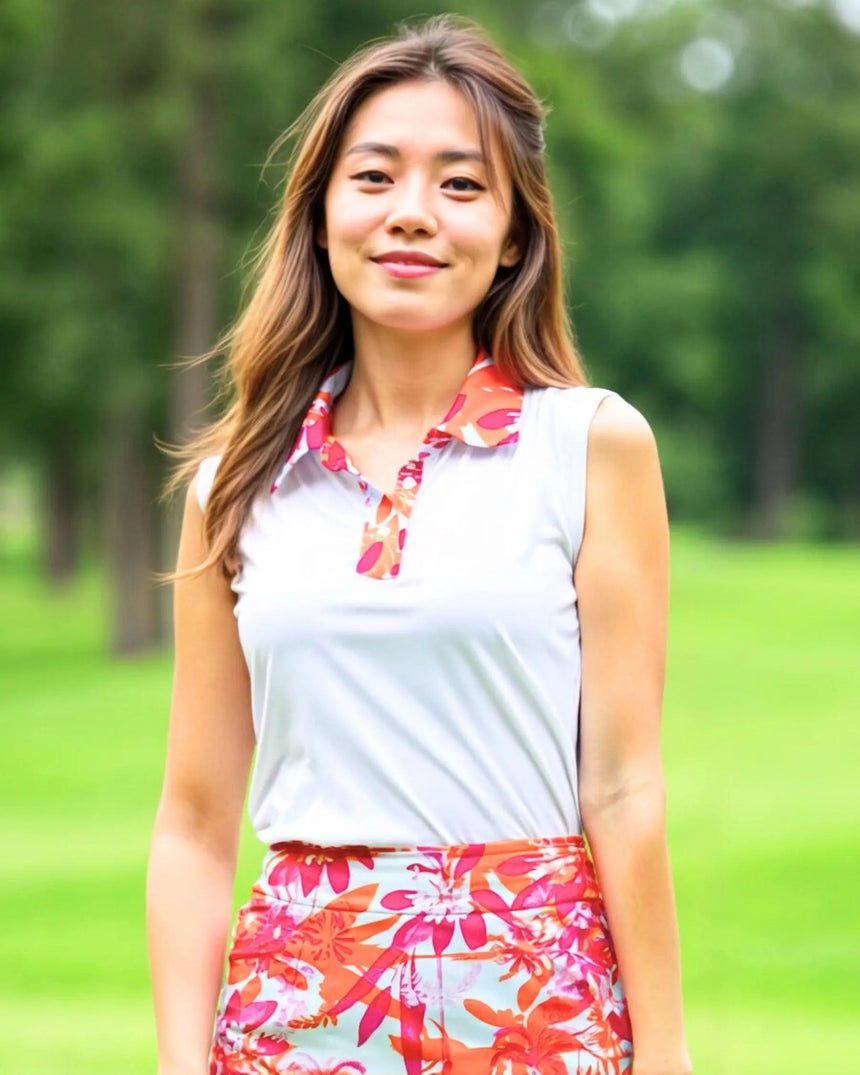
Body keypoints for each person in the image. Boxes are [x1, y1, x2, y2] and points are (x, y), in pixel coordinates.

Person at [146, 14, 692, 1075]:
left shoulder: (589, 445)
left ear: (515, 234)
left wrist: (664, 1054)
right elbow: (195, 822)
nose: (410, 216)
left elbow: (622, 784)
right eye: (374, 178)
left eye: (458, 184)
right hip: (294, 1012)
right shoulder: (235, 486)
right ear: (317, 217)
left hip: (537, 1011)